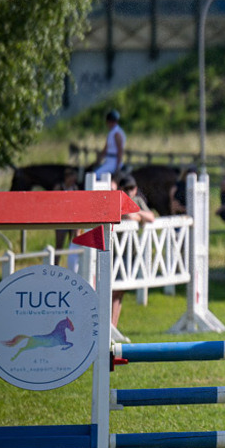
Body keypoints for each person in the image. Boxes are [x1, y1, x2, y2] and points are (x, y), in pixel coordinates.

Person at [111, 174, 155, 333]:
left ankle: (112, 327)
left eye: (132, 188)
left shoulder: (138, 201)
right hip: (115, 251)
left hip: (130, 252)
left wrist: (137, 214)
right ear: (121, 190)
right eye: (127, 189)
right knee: (113, 290)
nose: (130, 192)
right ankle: (109, 326)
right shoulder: (116, 202)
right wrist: (131, 216)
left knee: (119, 291)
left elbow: (151, 217)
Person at [93, 110, 126, 179]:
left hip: (114, 161)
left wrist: (118, 166)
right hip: (108, 160)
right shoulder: (111, 133)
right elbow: (105, 149)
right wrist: (97, 161)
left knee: (96, 175)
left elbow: (120, 150)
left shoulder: (117, 133)